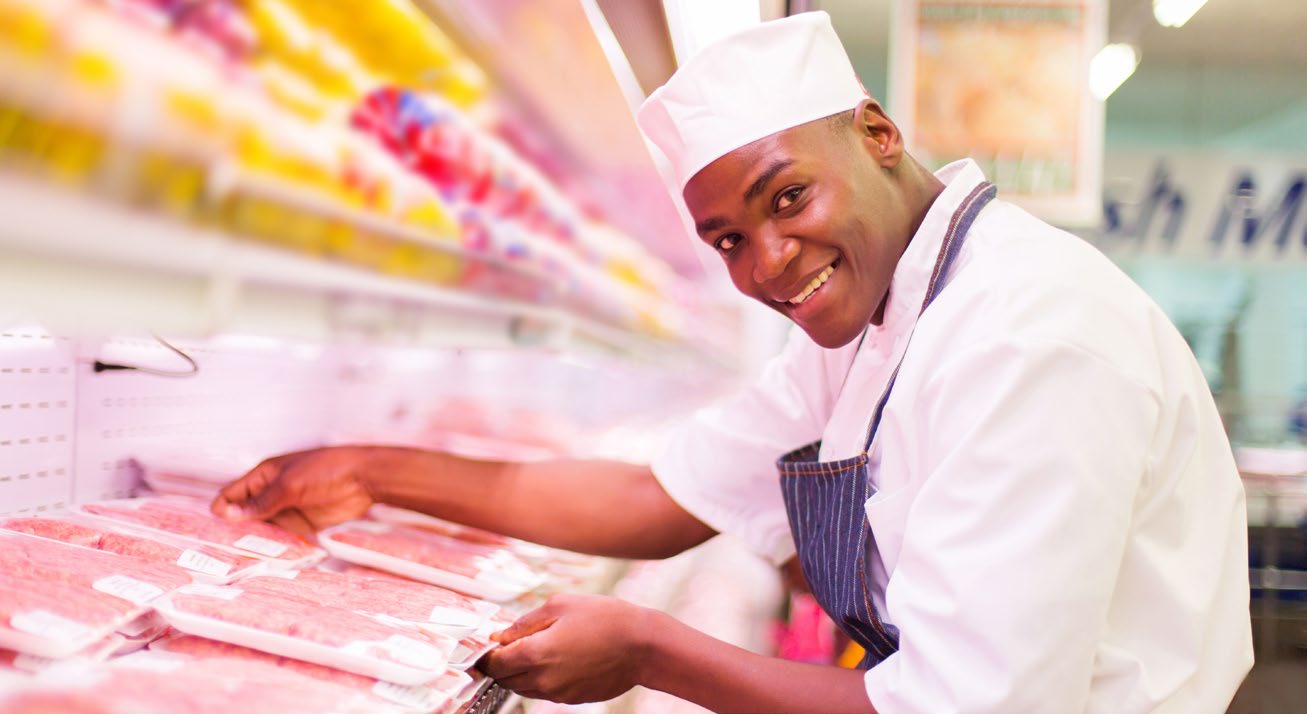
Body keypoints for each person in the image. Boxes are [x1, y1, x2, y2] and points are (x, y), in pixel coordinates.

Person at [212, 12, 1253, 713]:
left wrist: (650, 653)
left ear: (877, 133)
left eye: (786, 197)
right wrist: (365, 470)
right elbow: (654, 497)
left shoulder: (1027, 335)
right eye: (725, 241)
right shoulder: (879, 314)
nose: (765, 262)